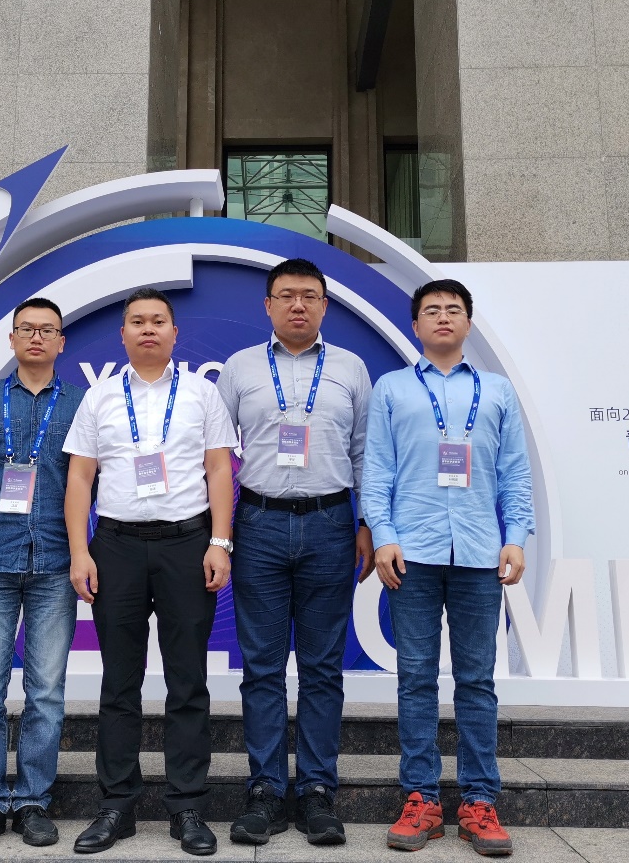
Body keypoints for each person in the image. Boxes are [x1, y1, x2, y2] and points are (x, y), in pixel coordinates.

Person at [361, 279, 533, 857]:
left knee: (477, 681)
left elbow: (514, 472)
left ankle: (480, 802)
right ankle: (422, 800)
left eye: (453, 309)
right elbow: (377, 471)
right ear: (415, 325)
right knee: (415, 680)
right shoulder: (392, 388)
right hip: (410, 555)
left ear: (467, 323)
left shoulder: (497, 391)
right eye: (431, 310)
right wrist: (384, 537)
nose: (442, 317)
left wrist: (516, 539)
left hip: (480, 555)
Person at [63, 288, 237, 857]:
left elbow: (219, 470)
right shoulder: (99, 397)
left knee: (187, 682)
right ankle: (117, 805)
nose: (147, 329)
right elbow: (80, 479)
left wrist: (219, 543)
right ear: (122, 334)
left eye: (158, 321)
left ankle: (187, 806)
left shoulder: (202, 394)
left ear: (174, 333)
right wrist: (81, 551)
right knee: (119, 683)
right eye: (136, 321)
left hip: (188, 544)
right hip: (115, 546)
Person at [215, 258, 373, 846]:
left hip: (331, 523)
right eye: (286, 295)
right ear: (268, 306)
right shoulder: (239, 368)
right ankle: (264, 790)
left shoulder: (351, 369)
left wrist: (366, 524)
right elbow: (215, 455)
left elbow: (364, 453)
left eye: (309, 295)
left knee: (322, 666)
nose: (298, 305)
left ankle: (316, 792)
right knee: (261, 666)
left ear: (325, 305)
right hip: (259, 523)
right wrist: (220, 535)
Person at [0, 297, 85, 852]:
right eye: (26, 328)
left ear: (61, 341)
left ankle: (32, 801)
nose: (36, 337)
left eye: (47, 330)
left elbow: (90, 486)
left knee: (46, 693)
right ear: (12, 338)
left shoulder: (80, 402)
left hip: (55, 562)